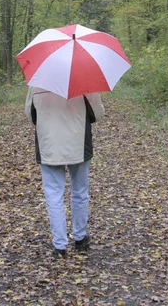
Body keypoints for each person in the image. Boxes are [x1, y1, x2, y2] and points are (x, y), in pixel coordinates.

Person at [24, 86, 104, 260]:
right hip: (78, 142)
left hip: (49, 145)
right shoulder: (85, 81)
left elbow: (31, 114)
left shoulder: (37, 82)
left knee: (53, 195)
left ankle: (59, 246)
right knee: (80, 191)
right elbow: (97, 113)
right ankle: (80, 238)